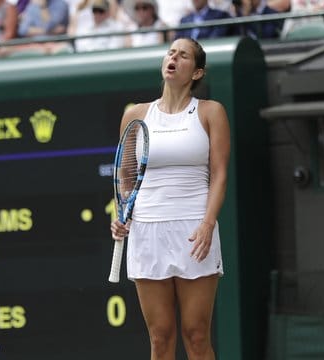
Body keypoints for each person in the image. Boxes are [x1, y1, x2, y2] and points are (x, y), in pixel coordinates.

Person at [110, 37, 229, 360]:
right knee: (160, 339)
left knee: (195, 336)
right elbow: (126, 179)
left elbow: (219, 174)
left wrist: (207, 223)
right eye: (170, 52)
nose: (173, 58)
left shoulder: (211, 112)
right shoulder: (135, 115)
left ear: (197, 72)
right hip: (147, 232)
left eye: (184, 55)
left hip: (194, 232)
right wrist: (122, 214)